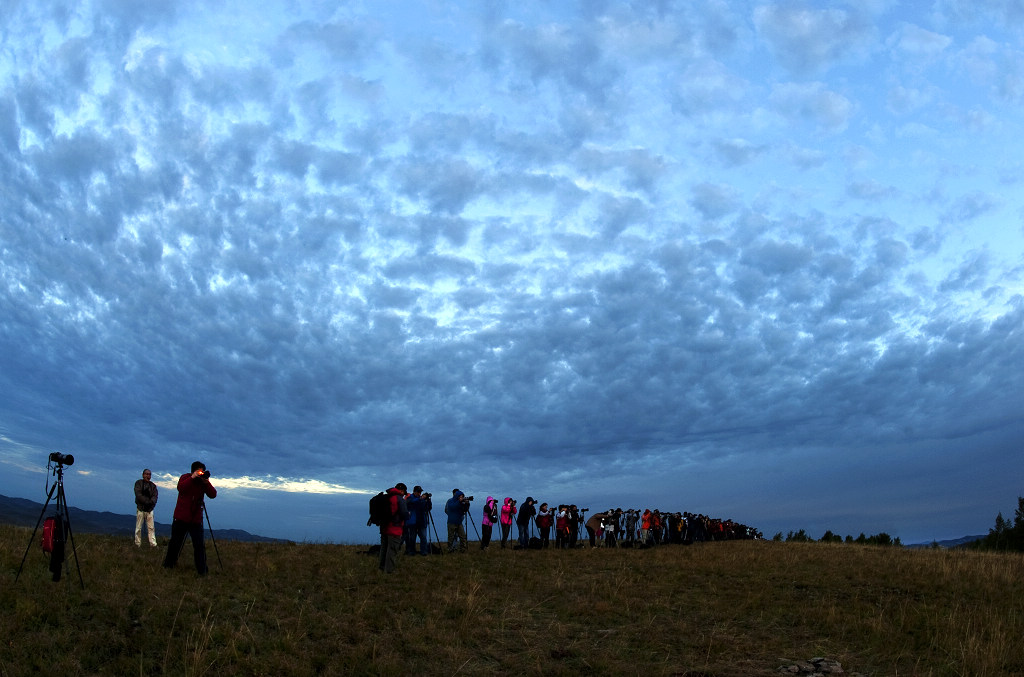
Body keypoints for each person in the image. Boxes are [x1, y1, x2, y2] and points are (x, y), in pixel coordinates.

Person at [162, 461, 217, 575]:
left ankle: (202, 571)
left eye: (202, 471)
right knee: (175, 543)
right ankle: (168, 564)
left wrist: (206, 483)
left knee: (199, 546)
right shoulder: (185, 477)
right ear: (193, 471)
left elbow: (213, 494)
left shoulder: (203, 482)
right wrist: (192, 477)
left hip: (196, 519)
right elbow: (181, 488)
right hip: (181, 517)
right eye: (199, 471)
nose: (201, 473)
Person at [378, 483, 409, 573]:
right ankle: (389, 570)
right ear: (402, 491)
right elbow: (405, 515)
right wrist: (408, 514)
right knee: (392, 550)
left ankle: (381, 567)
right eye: (404, 492)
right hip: (394, 528)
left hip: (384, 527)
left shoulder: (387, 497)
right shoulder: (400, 499)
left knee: (384, 548)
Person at [133, 468, 159, 547]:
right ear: (143, 475)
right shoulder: (139, 483)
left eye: (149, 474)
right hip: (141, 509)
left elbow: (155, 497)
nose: (148, 476)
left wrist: (151, 504)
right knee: (138, 528)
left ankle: (153, 544)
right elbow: (138, 495)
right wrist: (148, 502)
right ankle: (137, 544)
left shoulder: (153, 486)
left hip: (149, 510)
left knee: (151, 528)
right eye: (146, 474)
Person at [405, 486, 431, 555]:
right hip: (413, 521)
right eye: (418, 492)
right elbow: (409, 503)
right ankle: (412, 551)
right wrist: (420, 498)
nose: (419, 493)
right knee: (412, 538)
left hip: (421, 521)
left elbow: (428, 508)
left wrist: (428, 500)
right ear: (414, 491)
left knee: (423, 537)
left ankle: (424, 551)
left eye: (420, 492)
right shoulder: (410, 498)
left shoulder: (421, 499)